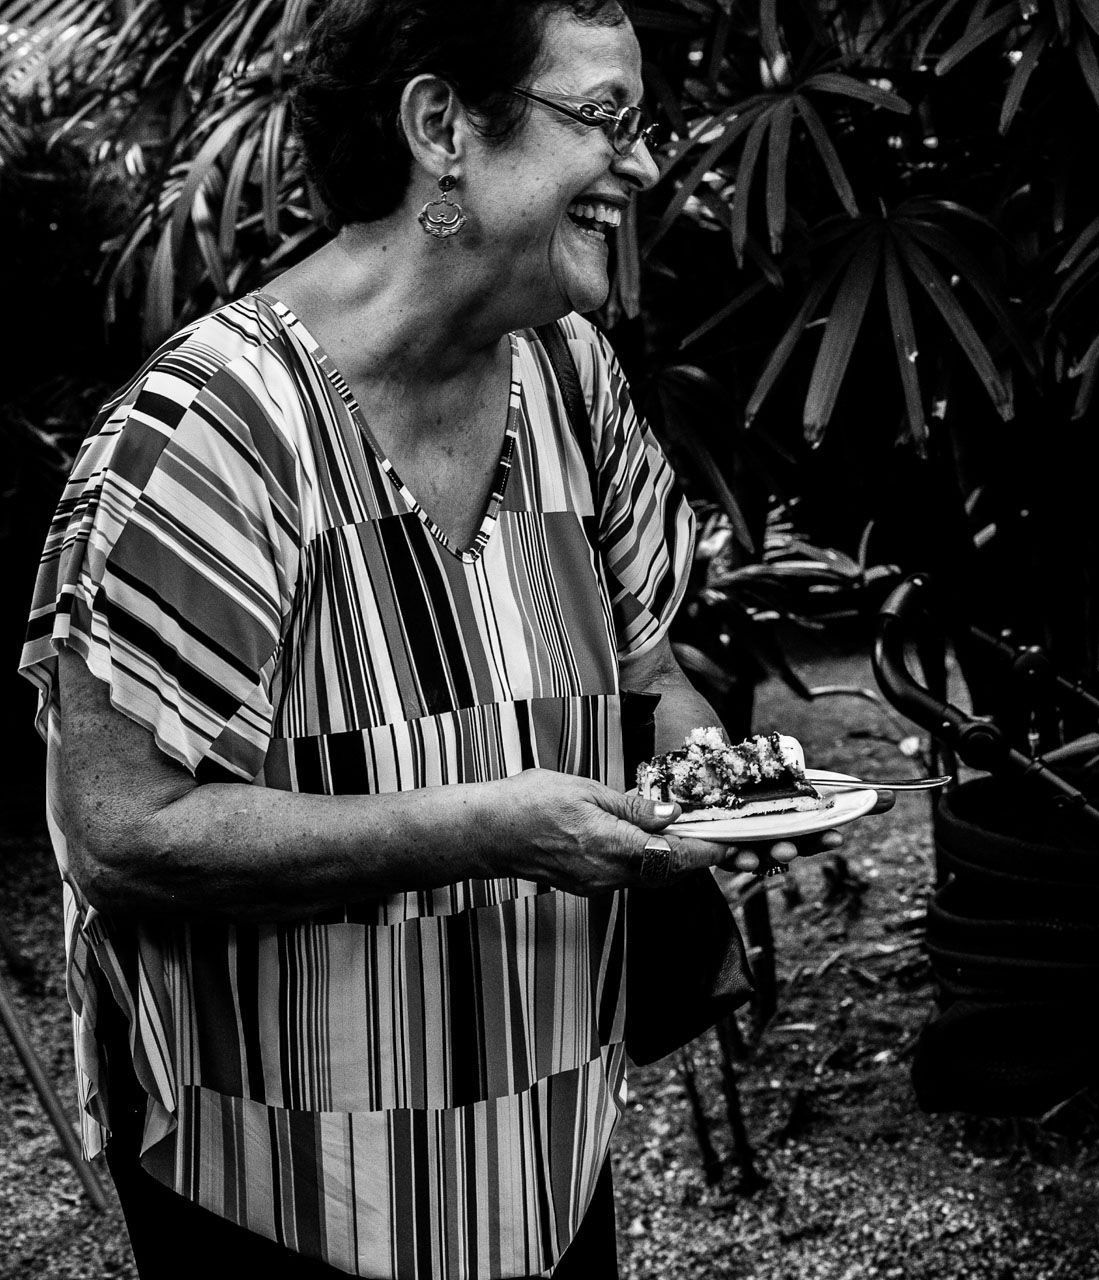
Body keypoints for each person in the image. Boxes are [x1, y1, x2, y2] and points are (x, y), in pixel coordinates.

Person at [19, 1, 878, 1275]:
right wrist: (485, 826)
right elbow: (120, 831)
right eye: (605, 119)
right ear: (442, 130)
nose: (641, 165)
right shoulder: (215, 433)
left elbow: (652, 673)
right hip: (284, 1189)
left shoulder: (572, 378)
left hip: (545, 1160)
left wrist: (710, 785)